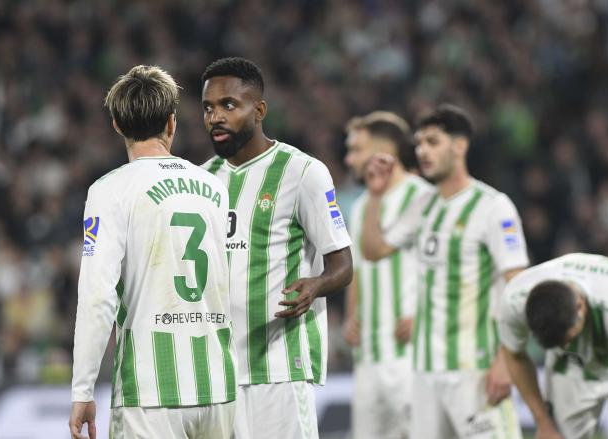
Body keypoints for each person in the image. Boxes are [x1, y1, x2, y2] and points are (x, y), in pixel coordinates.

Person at [69, 65, 236, 439]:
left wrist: (83, 388)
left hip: (151, 391)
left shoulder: (109, 191)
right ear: (172, 123)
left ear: (116, 124)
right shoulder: (214, 188)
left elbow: (98, 296)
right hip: (218, 385)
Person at [199, 57, 353, 439]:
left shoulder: (302, 172)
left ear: (260, 110)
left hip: (278, 368)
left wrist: (316, 285)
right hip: (217, 373)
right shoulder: (202, 179)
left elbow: (343, 265)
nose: (215, 116)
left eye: (228, 105)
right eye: (208, 108)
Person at [361, 104, 528, 439]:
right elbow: (375, 250)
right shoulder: (424, 206)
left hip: (474, 369)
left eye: (433, 142)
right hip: (424, 371)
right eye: (419, 143)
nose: (422, 150)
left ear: (460, 146)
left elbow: (518, 286)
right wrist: (376, 197)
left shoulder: (493, 206)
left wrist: (506, 361)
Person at [342, 111, 432, 439]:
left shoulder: (423, 197)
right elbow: (359, 268)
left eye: (357, 149)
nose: (349, 158)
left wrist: (423, 313)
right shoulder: (363, 205)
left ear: (384, 152)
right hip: (368, 355)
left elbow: (441, 267)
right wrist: (351, 317)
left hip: (410, 352)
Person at [499, 253, 608, 439]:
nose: (568, 345)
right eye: (560, 343)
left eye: (570, 338)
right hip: (570, 367)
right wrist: (543, 423)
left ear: (580, 305)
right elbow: (515, 356)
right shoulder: (514, 302)